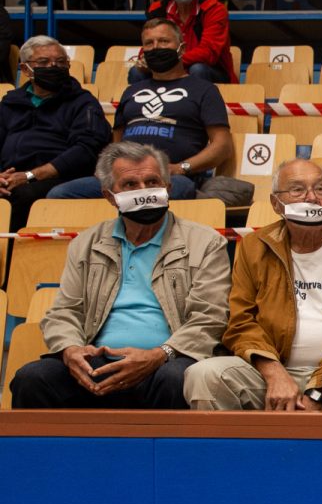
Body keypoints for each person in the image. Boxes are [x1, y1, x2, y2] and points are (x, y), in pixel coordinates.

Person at [8, 142, 229, 409]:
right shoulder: (87, 243)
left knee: (178, 379)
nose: (143, 192)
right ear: (110, 196)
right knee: (32, 378)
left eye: (152, 182)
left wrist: (159, 354)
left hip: (168, 360)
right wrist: (71, 350)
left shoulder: (205, 242)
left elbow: (210, 317)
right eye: (129, 185)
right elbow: (64, 311)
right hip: (97, 362)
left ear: (168, 189)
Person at [183, 160, 322, 412]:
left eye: (321, 189)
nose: (311, 198)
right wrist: (274, 373)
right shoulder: (254, 247)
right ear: (276, 203)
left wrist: (318, 389)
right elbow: (241, 324)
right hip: (271, 373)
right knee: (203, 375)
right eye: (297, 190)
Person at [49, 18, 241, 204]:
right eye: (149, 43)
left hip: (169, 176)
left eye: (164, 41)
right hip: (123, 176)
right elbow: (116, 140)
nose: (156, 47)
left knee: (179, 190)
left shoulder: (204, 89)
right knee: (59, 194)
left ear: (181, 48)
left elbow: (222, 146)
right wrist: (105, 169)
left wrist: (181, 168)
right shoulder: (131, 91)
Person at [0, 35, 112, 229]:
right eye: (44, 62)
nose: (54, 67)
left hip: (58, 177)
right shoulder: (10, 103)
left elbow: (86, 150)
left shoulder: (83, 102)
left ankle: (12, 256)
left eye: (61, 62)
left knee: (22, 195)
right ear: (25, 69)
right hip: (10, 176)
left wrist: (29, 175)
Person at [134, 0, 236, 85]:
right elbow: (148, 45)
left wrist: (169, 61)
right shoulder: (158, 10)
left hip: (210, 71)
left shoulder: (214, 9)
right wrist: (145, 60)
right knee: (136, 72)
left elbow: (208, 53)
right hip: (166, 68)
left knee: (197, 69)